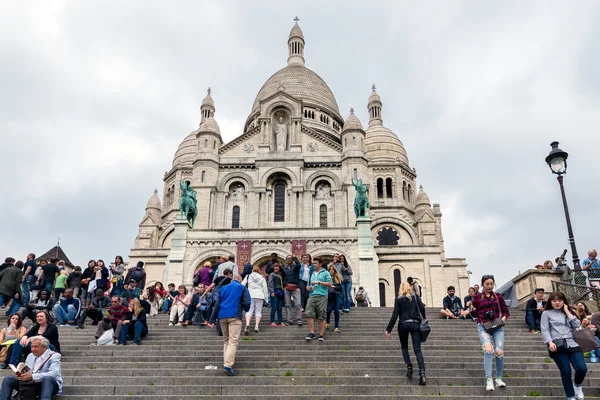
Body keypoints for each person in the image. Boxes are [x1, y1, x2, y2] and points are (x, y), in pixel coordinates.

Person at [541, 291, 587, 400]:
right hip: (557, 345)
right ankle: (570, 396)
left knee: (582, 368)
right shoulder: (546, 313)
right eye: (554, 301)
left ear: (564, 301)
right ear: (550, 302)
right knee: (566, 371)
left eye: (560, 301)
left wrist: (567, 311)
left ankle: (577, 385)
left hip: (572, 343)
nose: (557, 303)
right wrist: (550, 342)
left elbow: (577, 325)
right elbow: (545, 329)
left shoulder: (568, 312)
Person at [471, 275, 510, 391]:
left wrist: (501, 321)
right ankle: (489, 380)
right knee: (488, 350)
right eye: (487, 284)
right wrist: (472, 310)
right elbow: (474, 315)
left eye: (491, 284)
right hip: (483, 326)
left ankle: (498, 378)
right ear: (482, 284)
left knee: (499, 351)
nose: (489, 286)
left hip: (497, 326)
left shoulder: (498, 297)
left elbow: (506, 312)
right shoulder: (477, 297)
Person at [386, 281, 427, 385]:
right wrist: (423, 318)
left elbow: (395, 315)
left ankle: (409, 367)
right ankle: (422, 373)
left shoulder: (398, 299)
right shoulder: (416, 297)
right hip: (415, 324)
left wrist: (389, 329)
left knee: (404, 347)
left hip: (403, 324)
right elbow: (422, 308)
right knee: (417, 350)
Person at [0, 335, 62, 400]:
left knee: (47, 379)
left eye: (35, 347)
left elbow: (54, 373)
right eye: (32, 347)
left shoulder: (54, 356)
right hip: (31, 384)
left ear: (44, 347)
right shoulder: (30, 355)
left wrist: (33, 376)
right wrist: (21, 375)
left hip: (48, 385)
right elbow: (27, 370)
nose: (32, 349)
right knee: (8, 379)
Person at [211, 274, 250, 376]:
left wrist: (211, 319)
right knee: (233, 341)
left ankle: (226, 362)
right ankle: (228, 365)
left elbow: (217, 303)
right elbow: (247, 302)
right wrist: (245, 308)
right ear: (240, 280)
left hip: (222, 316)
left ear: (232, 279)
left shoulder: (223, 288)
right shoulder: (242, 287)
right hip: (234, 316)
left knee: (226, 340)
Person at [304, 258, 332, 341]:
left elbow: (329, 284)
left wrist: (318, 282)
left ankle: (321, 335)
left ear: (320, 264)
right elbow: (309, 285)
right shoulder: (312, 274)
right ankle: (312, 333)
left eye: (315, 263)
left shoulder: (326, 273)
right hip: (312, 295)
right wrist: (308, 288)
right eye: (313, 263)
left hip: (322, 296)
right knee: (308, 313)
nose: (314, 265)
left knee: (321, 315)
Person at [242, 266, 269, 334]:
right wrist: (266, 299)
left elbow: (242, 285)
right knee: (258, 312)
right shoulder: (262, 278)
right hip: (259, 295)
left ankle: (247, 324)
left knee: (249, 311)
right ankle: (256, 326)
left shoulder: (248, 276)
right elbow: (265, 288)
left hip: (250, 295)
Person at [282, 256, 302, 326]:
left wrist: (295, 258)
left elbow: (299, 265)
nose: (289, 260)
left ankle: (299, 320)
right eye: (288, 259)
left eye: (291, 258)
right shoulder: (284, 268)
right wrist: (285, 284)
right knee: (287, 305)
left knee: (298, 304)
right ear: (286, 260)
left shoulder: (295, 267)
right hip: (287, 287)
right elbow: (282, 277)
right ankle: (289, 320)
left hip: (295, 287)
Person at [326, 265, 342, 333]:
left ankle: (336, 327)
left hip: (336, 295)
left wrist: (334, 286)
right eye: (330, 269)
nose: (331, 270)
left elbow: (340, 288)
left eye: (333, 269)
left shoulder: (337, 278)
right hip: (329, 295)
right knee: (328, 310)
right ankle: (327, 322)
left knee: (336, 311)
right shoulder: (326, 277)